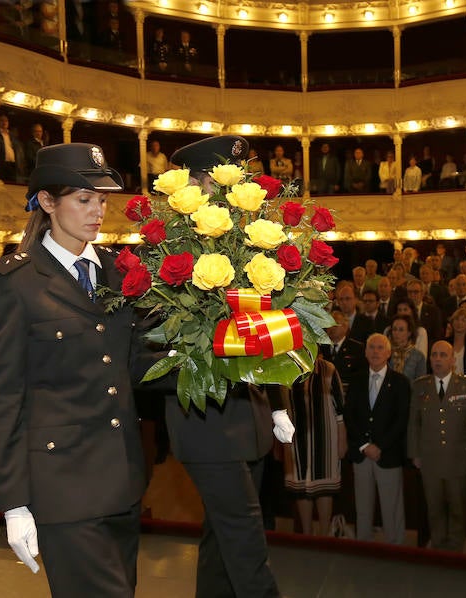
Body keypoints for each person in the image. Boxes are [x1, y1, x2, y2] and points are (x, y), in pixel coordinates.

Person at [0, 143, 156, 595]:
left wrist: (222, 360)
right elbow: (5, 397)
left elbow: (135, 365)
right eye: (84, 199)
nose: (98, 212)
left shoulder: (117, 272)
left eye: (101, 200)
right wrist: (14, 502)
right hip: (63, 486)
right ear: (47, 201)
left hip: (123, 480)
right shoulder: (15, 282)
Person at [165, 136, 293, 598]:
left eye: (237, 180)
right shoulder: (169, 252)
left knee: (221, 544)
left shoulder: (248, 242)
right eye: (219, 180)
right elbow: (163, 340)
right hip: (206, 420)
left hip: (249, 418)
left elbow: (266, 328)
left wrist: (277, 404)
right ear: (194, 184)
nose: (230, 190)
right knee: (246, 543)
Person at [408, 340, 466, 552]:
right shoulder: (420, 386)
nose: (438, 359)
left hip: (458, 458)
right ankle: (438, 546)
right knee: (434, 508)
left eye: (443, 355)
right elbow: (413, 423)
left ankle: (455, 548)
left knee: (458, 507)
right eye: (434, 355)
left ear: (453, 360)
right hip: (430, 458)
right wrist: (414, 453)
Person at [343, 333, 411, 544]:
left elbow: (401, 420)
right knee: (363, 507)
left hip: (387, 454)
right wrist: (365, 445)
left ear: (389, 353)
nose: (375, 351)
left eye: (380, 347)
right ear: (365, 352)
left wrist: (379, 446)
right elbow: (349, 415)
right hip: (361, 453)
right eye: (371, 347)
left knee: (392, 508)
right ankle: (363, 547)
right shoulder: (356, 380)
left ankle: (395, 548)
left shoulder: (400, 382)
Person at [271, 357, 346, 536]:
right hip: (295, 439)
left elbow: (341, 411)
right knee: (301, 487)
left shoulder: (328, 369)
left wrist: (342, 441)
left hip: (326, 439)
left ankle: (324, 535)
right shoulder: (285, 366)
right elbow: (278, 408)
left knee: (324, 486)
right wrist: (277, 443)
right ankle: (306, 535)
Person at [387, 313, 426, 382]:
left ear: (409, 333)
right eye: (394, 329)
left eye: (401, 330)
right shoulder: (386, 353)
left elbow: (420, 384)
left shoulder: (418, 356)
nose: (396, 333)